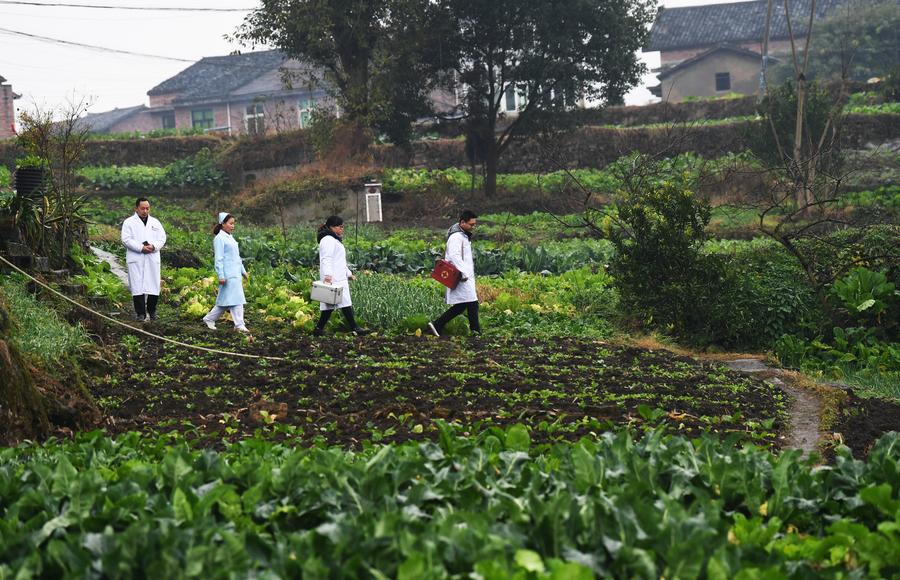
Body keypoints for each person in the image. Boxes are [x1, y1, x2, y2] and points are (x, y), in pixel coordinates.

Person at [428, 210, 481, 337]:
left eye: (474, 224)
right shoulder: (456, 237)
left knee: (464, 304)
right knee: (471, 303)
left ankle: (437, 325)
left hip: (464, 275)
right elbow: (454, 255)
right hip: (461, 276)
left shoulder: (462, 235)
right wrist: (464, 272)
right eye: (471, 224)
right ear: (462, 222)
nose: (473, 227)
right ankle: (476, 332)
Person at [313, 215, 367, 336]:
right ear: (332, 227)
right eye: (340, 226)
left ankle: (319, 329)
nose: (342, 229)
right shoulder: (327, 240)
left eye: (343, 227)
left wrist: (349, 274)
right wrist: (327, 275)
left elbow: (339, 260)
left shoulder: (334, 239)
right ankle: (354, 327)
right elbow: (326, 259)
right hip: (333, 278)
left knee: (336, 304)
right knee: (333, 304)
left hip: (339, 277)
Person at [202, 213, 250, 332]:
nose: (233, 226)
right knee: (236, 299)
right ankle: (239, 325)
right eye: (231, 223)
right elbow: (218, 259)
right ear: (223, 224)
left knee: (225, 301)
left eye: (234, 223)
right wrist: (221, 275)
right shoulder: (219, 238)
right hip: (228, 274)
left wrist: (243, 271)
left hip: (235, 273)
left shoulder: (230, 237)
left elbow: (237, 257)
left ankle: (209, 318)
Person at [121, 197, 166, 321]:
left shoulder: (155, 222)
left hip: (152, 256)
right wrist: (141, 248)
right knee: (137, 286)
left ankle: (152, 311)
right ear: (136, 208)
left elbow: (162, 238)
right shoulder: (129, 222)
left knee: (153, 285)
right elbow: (126, 240)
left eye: (147, 208)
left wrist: (154, 246)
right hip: (136, 257)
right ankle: (140, 313)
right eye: (142, 208)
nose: (145, 211)